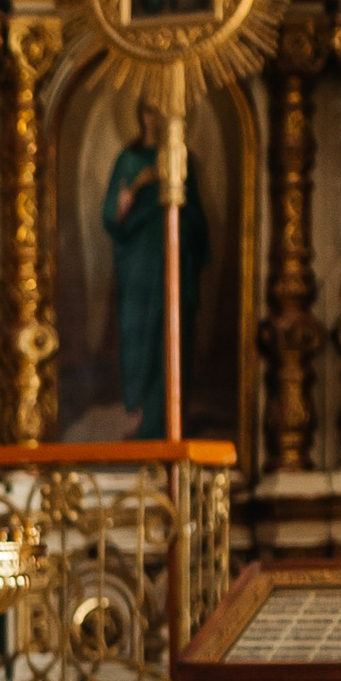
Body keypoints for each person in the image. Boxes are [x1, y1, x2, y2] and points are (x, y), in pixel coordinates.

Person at [103, 101, 209, 440]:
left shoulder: (182, 159)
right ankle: (140, 418)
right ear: (139, 114)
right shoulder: (129, 160)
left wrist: (174, 196)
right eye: (148, 110)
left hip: (174, 265)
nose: (154, 118)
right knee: (139, 339)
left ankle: (169, 422)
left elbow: (196, 218)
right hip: (138, 270)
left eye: (160, 111)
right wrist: (140, 186)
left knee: (172, 339)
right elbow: (112, 215)